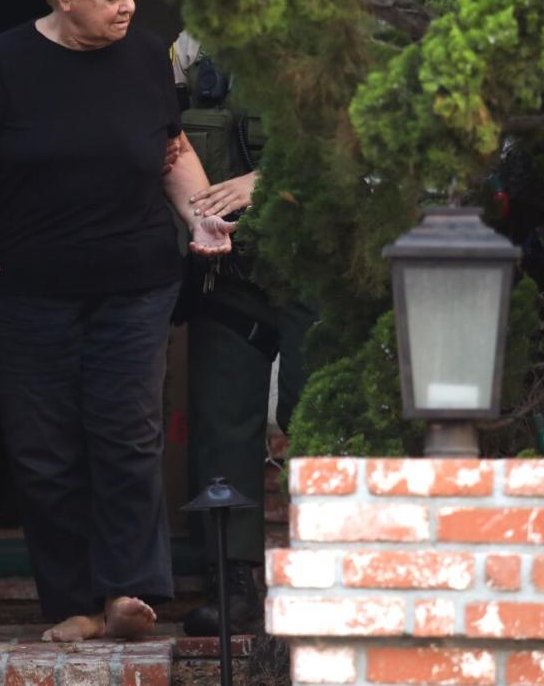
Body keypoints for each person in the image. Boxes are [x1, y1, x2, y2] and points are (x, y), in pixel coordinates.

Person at [0, 0, 234, 643]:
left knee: (126, 432)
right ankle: (72, 602)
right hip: (28, 285)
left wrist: (201, 216)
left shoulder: (143, 59)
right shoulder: (5, 62)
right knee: (45, 447)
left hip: (134, 280)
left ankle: (128, 591)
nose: (128, 6)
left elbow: (172, 150)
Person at [171, 32, 317, 637]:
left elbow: (359, 140)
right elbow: (163, 139)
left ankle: (328, 570)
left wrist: (266, 180)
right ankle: (232, 580)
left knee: (316, 417)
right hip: (229, 274)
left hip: (314, 267)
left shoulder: (326, 29)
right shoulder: (188, 49)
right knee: (221, 426)